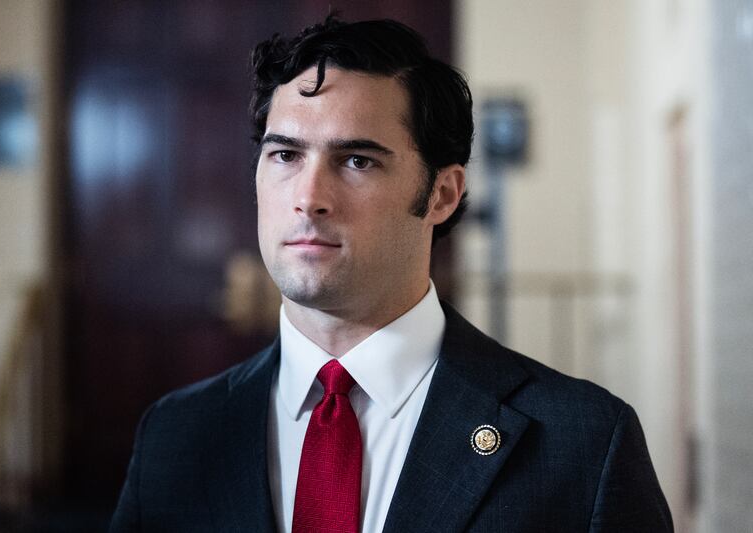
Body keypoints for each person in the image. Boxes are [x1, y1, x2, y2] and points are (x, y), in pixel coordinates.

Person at [110, 16, 673, 532]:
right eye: (285, 156)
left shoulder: (584, 444)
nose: (308, 198)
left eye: (357, 161)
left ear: (443, 194)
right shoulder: (175, 437)